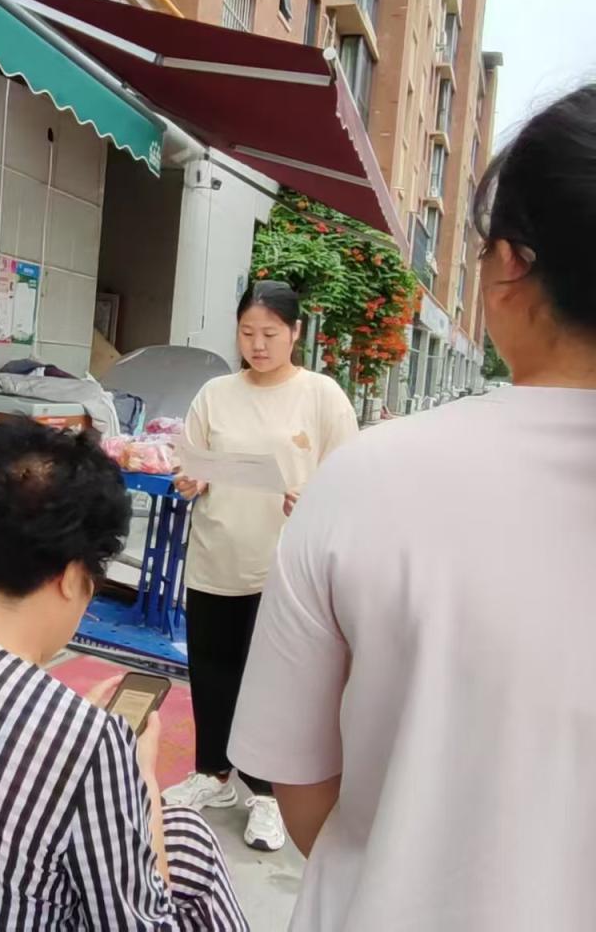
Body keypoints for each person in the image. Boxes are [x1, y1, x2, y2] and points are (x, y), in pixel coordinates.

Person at [228, 85, 596, 930]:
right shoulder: (244, 407)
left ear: (510, 265)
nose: (258, 342)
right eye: (249, 330)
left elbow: (302, 787)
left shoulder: (367, 476)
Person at [0, 421, 248, 931]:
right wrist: (140, 776)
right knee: (179, 837)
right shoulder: (87, 742)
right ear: (73, 577)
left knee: (185, 834)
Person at [163, 280, 358, 853]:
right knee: (211, 669)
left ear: (295, 332)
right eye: (247, 333)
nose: (258, 344)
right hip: (216, 553)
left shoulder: (321, 396)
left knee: (274, 683)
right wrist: (190, 480)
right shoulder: (215, 394)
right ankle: (213, 773)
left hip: (285, 567)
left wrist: (316, 500)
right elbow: (188, 463)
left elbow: (350, 478)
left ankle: (268, 794)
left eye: (270, 333)